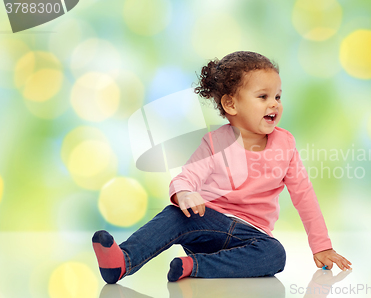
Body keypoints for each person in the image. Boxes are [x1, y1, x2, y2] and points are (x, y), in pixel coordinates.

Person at [92, 51, 352, 284]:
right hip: (209, 223)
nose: (274, 103)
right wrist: (184, 194)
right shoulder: (215, 142)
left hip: (251, 236)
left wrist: (321, 246)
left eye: (277, 96)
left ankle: (194, 267)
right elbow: (188, 176)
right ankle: (123, 260)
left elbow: (304, 196)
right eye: (263, 97)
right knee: (175, 215)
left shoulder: (285, 144)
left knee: (275, 255)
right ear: (231, 105)